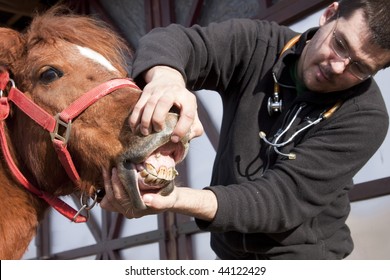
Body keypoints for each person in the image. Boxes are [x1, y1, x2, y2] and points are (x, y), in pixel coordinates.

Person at [100, 0, 390, 259]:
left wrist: (174, 199)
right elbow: (176, 41)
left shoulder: (366, 117)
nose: (339, 67)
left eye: (360, 68)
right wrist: (167, 78)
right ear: (329, 14)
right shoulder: (259, 44)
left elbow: (279, 201)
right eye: (340, 44)